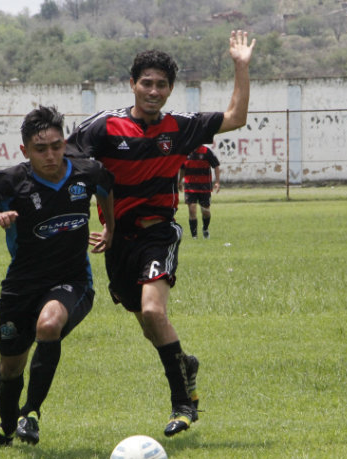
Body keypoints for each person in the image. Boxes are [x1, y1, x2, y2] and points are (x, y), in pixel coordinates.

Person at [65, 30, 255, 437]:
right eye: (146, 83)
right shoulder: (104, 127)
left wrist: (241, 65)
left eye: (161, 84)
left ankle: (184, 404)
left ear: (170, 89)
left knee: (154, 312)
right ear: (132, 84)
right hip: (118, 242)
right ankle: (183, 362)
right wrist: (91, 218)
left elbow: (236, 117)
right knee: (147, 323)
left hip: (159, 233)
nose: (153, 90)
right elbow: (63, 160)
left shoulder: (181, 128)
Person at [0, 105, 115, 447]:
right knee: (10, 367)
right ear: (24, 151)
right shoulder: (9, 181)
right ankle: (7, 426)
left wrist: (109, 228)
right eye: (40, 149)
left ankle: (30, 412)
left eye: (56, 146)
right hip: (21, 287)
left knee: (49, 325)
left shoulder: (88, 172)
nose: (50, 155)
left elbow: (107, 191)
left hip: (72, 281)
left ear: (64, 143)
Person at [178, 145, 221, 239]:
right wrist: (180, 181)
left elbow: (216, 165)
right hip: (190, 186)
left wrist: (217, 182)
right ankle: (194, 236)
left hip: (204, 187)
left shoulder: (206, 151)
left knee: (205, 212)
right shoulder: (186, 151)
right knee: (192, 209)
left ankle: (205, 228)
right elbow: (182, 168)